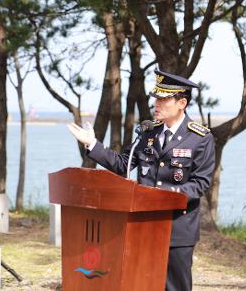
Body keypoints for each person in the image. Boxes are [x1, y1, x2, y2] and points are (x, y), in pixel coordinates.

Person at [67, 70, 216, 291]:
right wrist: (92, 145)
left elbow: (200, 183)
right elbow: (123, 164)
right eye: (156, 98)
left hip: (177, 227)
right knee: (142, 282)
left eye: (164, 99)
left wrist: (164, 197)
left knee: (175, 286)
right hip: (143, 223)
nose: (156, 103)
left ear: (181, 102)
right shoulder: (149, 132)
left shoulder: (200, 138)